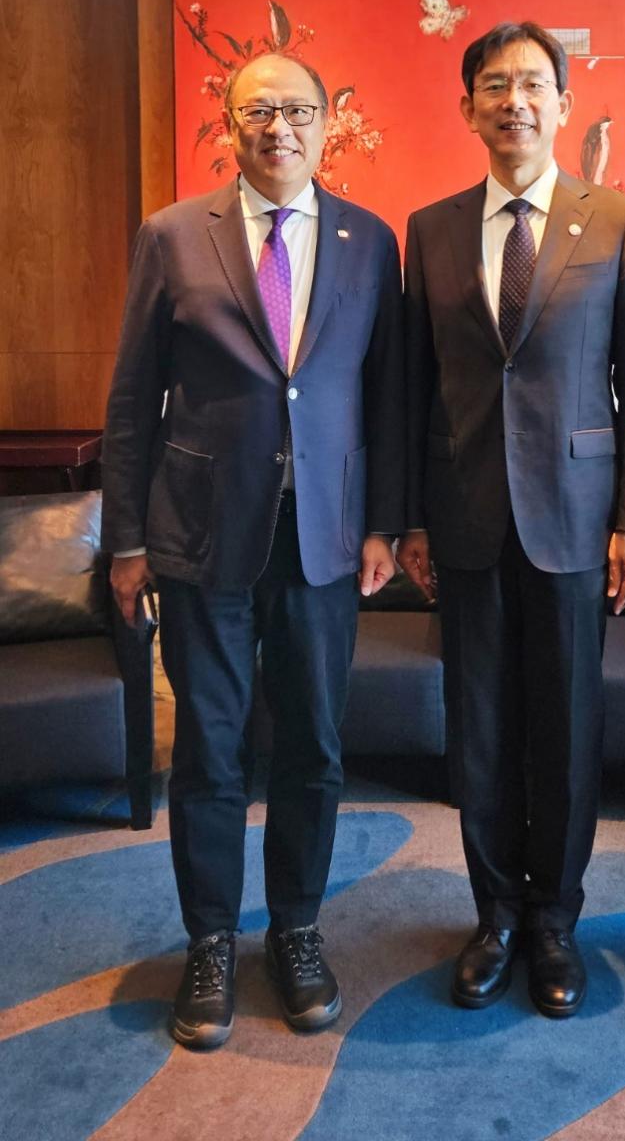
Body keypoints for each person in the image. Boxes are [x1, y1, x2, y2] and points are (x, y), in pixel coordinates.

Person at [101, 53, 404, 1049]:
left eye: (298, 110)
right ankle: (211, 939)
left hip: (324, 537)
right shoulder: (173, 235)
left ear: (328, 122)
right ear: (229, 124)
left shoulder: (370, 240)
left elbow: (387, 395)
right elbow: (132, 396)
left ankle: (298, 929)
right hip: (201, 535)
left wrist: (383, 523)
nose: (280, 127)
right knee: (209, 743)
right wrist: (126, 538)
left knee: (314, 742)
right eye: (259, 110)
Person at [399, 21, 625, 1018]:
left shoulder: (618, 219)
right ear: (468, 107)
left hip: (576, 517)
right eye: (495, 86)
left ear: (562, 104)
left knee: (566, 725)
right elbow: (413, 385)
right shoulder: (429, 228)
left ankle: (555, 918)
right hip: (465, 513)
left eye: (533, 85)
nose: (514, 101)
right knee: (477, 728)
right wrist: (409, 517)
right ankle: (494, 915)